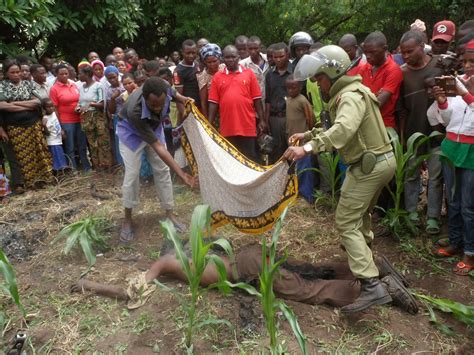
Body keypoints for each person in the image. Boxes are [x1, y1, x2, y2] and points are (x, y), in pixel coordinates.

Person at [284, 45, 396, 313]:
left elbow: (343, 131)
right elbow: (330, 125)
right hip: (371, 163)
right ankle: (366, 260)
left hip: (370, 165)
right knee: (359, 214)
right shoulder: (344, 94)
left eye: (319, 78)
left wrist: (307, 149)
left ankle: (370, 285)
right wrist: (308, 135)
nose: (316, 83)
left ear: (332, 74)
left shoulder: (349, 96)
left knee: (346, 220)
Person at [72, 240, 417, 315]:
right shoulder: (197, 251)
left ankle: (374, 286)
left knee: (307, 289)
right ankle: (374, 266)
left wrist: (92, 286)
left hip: (249, 269)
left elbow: (133, 289)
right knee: (309, 267)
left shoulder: (167, 263)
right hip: (251, 254)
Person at [117, 77, 196, 242]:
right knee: (132, 175)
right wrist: (182, 174)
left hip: (154, 128)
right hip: (131, 132)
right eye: (153, 105)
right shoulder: (135, 111)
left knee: (163, 171)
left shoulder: (164, 88)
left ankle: (169, 213)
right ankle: (128, 219)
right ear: (145, 99)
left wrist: (182, 98)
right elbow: (158, 147)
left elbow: (173, 92)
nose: (158, 108)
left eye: (161, 104)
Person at [428, 40, 474, 275]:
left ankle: (470, 251)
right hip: (451, 147)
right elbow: (446, 120)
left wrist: (463, 92)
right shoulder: (458, 85)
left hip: (471, 152)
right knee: (453, 200)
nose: (467, 66)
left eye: (472, 62)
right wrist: (442, 100)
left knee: (468, 205)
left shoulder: (462, 87)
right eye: (465, 61)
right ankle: (455, 242)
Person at [399, 30, 444, 234]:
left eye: (410, 51)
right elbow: (402, 110)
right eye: (403, 53)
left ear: (422, 46)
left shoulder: (440, 66)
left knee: (435, 178)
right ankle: (411, 214)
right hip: (413, 133)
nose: (406, 56)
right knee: (411, 175)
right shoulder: (402, 73)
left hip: (438, 134)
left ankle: (433, 217)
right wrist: (402, 139)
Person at [360, 31, 404, 231]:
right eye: (366, 52)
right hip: (368, 125)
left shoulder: (393, 70)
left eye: (373, 53)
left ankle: (388, 211)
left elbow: (379, 101)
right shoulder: (366, 67)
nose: (368, 57)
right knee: (371, 168)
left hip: (385, 126)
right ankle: (375, 208)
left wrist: (367, 99)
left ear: (385, 50)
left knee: (386, 171)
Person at [0, 60, 53, 189]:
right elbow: (2, 105)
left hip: (33, 124)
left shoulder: (28, 84)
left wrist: (13, 103)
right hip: (15, 128)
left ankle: (43, 179)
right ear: (7, 74)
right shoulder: (2, 86)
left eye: (17, 72)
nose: (16, 74)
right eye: (12, 72)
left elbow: (37, 103)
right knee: (23, 155)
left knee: (38, 152)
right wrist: (25, 105)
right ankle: (28, 182)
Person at [208, 45, 266, 163]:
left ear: (238, 57)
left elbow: (257, 99)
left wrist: (262, 120)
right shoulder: (217, 77)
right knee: (231, 160)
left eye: (233, 57)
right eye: (227, 57)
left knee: (250, 158)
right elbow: (213, 103)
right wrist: (209, 123)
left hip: (247, 126)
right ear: (223, 59)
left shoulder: (249, 74)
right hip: (227, 127)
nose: (230, 60)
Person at [50, 64, 91, 171]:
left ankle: (87, 167)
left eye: (66, 73)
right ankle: (73, 169)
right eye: (61, 74)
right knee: (70, 147)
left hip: (79, 119)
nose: (64, 75)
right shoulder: (54, 89)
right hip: (66, 121)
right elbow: (54, 109)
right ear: (57, 75)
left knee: (82, 145)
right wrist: (60, 126)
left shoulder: (74, 85)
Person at [285, 75, 314, 202]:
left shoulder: (302, 100)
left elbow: (311, 118)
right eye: (288, 88)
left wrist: (308, 135)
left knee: (305, 169)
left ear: (300, 87)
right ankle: (299, 193)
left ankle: (307, 196)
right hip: (293, 141)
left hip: (303, 141)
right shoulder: (289, 100)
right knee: (297, 168)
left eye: (294, 87)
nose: (291, 90)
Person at [77, 65, 113, 170]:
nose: (79, 75)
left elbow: (102, 104)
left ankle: (107, 166)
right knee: (92, 143)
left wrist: (90, 104)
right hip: (86, 118)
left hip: (98, 117)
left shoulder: (98, 86)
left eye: (80, 73)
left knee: (103, 142)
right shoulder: (80, 87)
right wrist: (78, 107)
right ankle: (97, 166)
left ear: (87, 74)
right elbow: (80, 103)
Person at [265, 42, 292, 163]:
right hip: (274, 119)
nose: (278, 59)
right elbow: (268, 99)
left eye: (281, 56)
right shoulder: (270, 74)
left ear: (287, 55)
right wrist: (266, 121)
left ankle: (295, 180)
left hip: (291, 117)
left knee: (293, 150)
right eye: (275, 57)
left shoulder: (295, 71)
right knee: (276, 153)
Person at [105, 65, 126, 166]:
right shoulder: (109, 91)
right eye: (109, 78)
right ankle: (122, 164)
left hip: (129, 117)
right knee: (119, 142)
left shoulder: (125, 85)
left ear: (118, 75)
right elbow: (111, 110)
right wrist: (113, 98)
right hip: (118, 118)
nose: (112, 80)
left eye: (114, 77)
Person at [196, 43, 224, 118]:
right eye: (209, 62)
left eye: (214, 61)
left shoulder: (224, 69)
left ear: (219, 59)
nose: (212, 65)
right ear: (205, 62)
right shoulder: (203, 77)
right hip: (214, 113)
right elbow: (203, 102)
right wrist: (207, 121)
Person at [173, 39, 201, 114]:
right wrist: (184, 115)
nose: (191, 56)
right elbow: (178, 97)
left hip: (200, 107)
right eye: (188, 53)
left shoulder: (196, 64)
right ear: (182, 53)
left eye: (193, 53)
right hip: (190, 110)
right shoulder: (178, 71)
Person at [41, 97, 68, 173]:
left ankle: (62, 172)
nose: (51, 108)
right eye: (48, 107)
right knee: (57, 159)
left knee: (61, 157)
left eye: (52, 106)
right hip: (52, 142)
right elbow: (47, 133)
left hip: (58, 140)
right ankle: (58, 174)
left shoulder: (54, 113)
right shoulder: (45, 118)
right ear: (44, 108)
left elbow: (58, 123)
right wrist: (44, 126)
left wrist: (61, 131)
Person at [239, 36, 269, 101]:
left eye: (256, 48)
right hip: (252, 102)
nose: (253, 51)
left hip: (269, 102)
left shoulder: (269, 60)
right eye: (250, 49)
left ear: (260, 48)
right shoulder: (242, 65)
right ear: (247, 49)